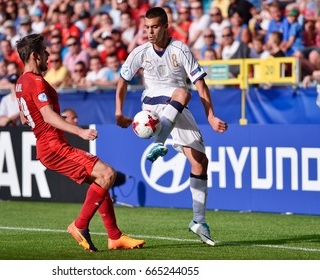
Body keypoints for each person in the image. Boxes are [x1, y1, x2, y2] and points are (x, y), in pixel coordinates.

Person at [15, 33, 145, 252]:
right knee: (107, 174)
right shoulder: (36, 81)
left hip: (47, 144)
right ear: (35, 56)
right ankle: (79, 225)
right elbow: (46, 115)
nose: (48, 55)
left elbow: (24, 117)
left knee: (101, 180)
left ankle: (114, 237)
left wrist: (51, 121)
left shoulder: (20, 82)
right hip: (53, 145)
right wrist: (79, 131)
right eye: (45, 52)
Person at [115, 7, 228, 246]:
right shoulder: (140, 52)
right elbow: (122, 82)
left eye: (154, 27)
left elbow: (201, 84)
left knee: (200, 162)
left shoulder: (180, 49)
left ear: (166, 26)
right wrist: (118, 111)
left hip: (175, 108)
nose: (149, 32)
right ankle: (159, 141)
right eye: (146, 27)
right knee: (182, 92)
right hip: (153, 105)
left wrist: (210, 116)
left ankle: (198, 220)